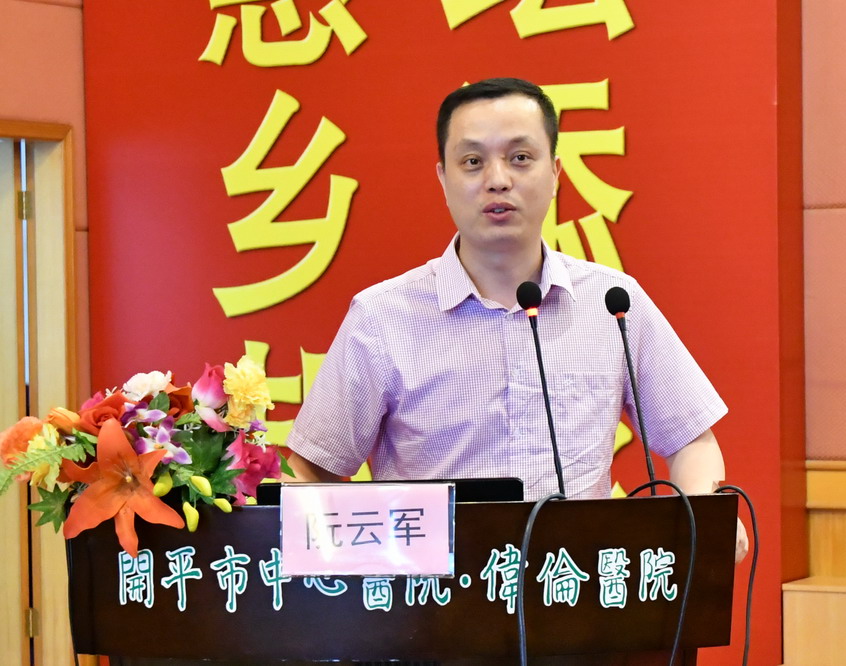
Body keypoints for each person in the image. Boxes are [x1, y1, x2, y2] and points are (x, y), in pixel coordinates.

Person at [286, 77, 748, 562]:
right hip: (434, 597)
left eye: (520, 158)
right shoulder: (383, 317)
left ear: (556, 173)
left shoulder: (612, 303)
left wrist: (704, 520)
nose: (498, 179)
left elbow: (691, 441)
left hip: (574, 586)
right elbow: (311, 470)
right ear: (443, 179)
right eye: (472, 162)